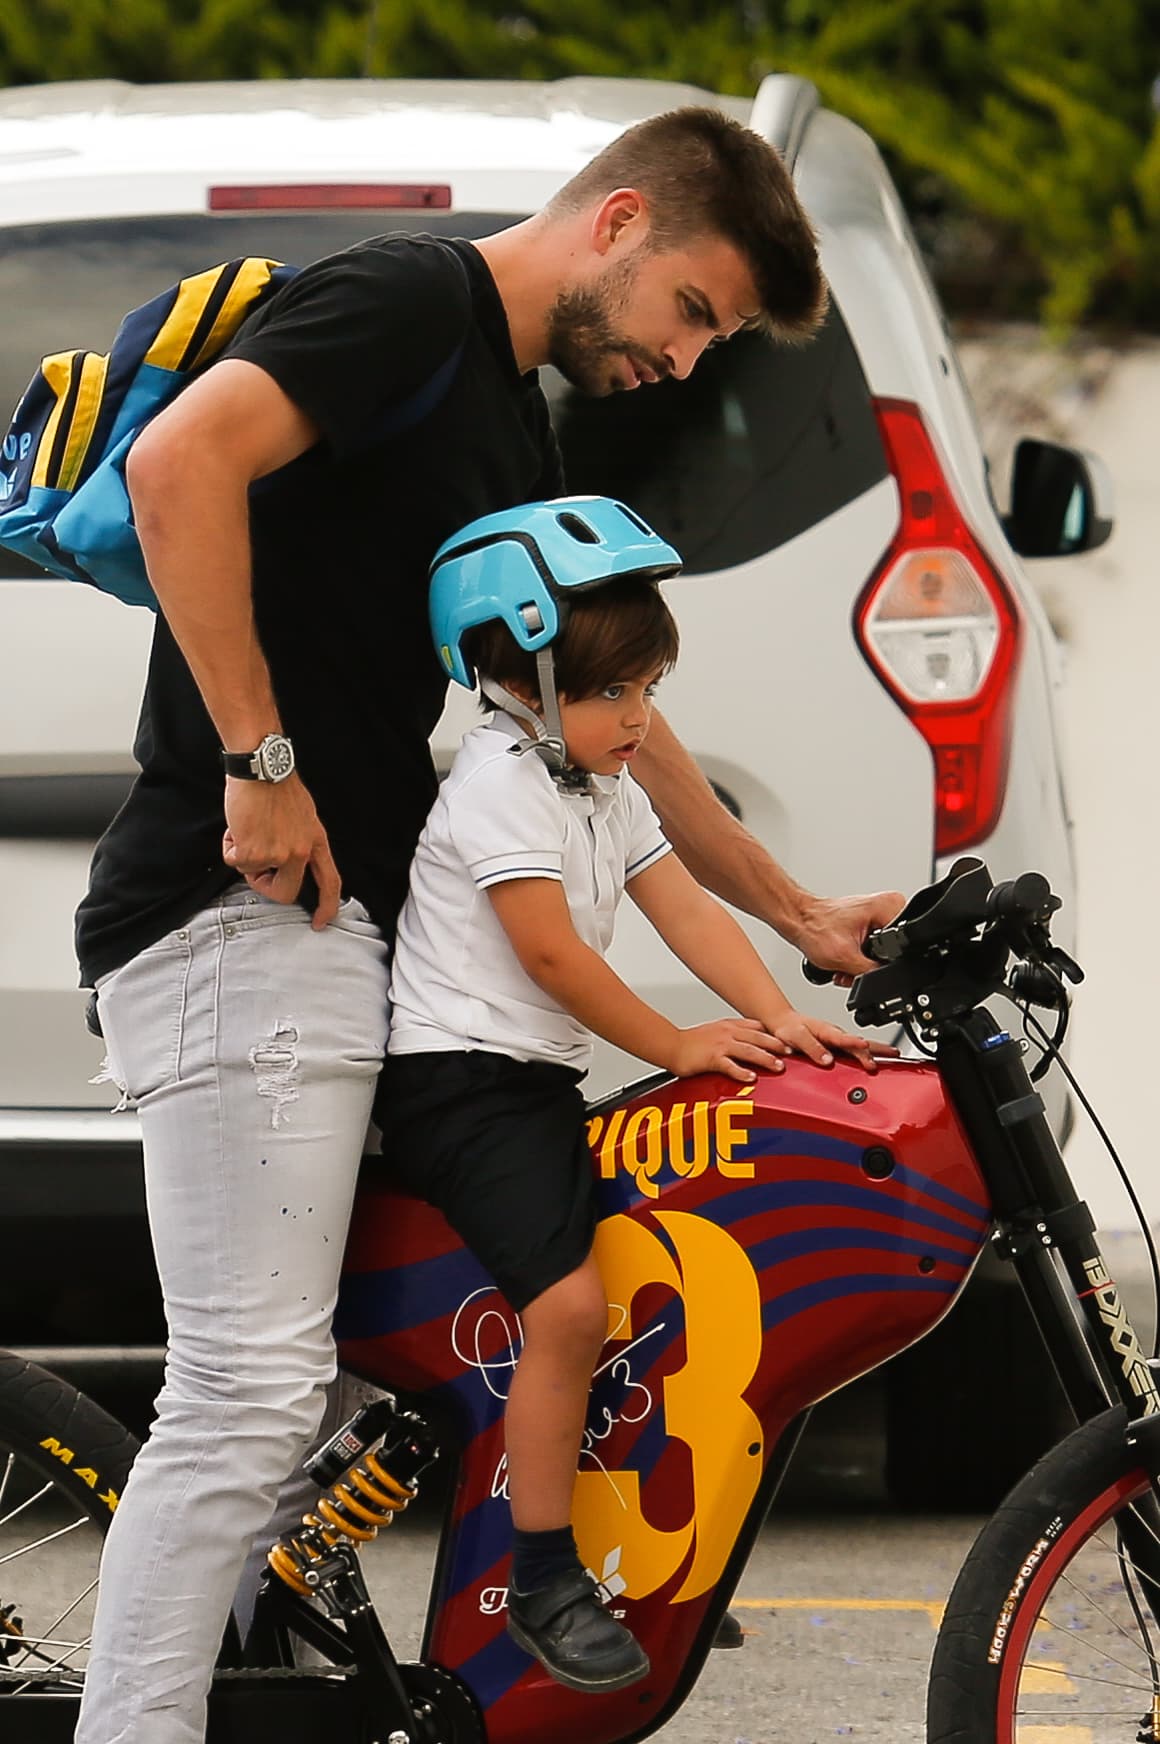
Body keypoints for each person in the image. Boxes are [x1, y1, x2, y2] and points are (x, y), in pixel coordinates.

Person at [73, 104, 902, 1744]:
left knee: (336, 1377)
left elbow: (609, 711)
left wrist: (795, 907)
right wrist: (259, 759)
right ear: (619, 223)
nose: (684, 360)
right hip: (236, 914)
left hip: (345, 933)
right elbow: (180, 467)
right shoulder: (404, 304)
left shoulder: (511, 431)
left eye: (716, 342)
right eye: (692, 311)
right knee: (247, 1394)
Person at [378, 496, 897, 1692]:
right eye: (613, 691)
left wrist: (775, 1016)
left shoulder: (601, 785)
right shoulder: (498, 784)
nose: (639, 718)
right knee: (568, 1311)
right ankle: (542, 1579)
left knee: (661, 1273)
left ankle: (638, 1552)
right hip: (461, 1085)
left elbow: (685, 907)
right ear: (520, 682)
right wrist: (675, 1041)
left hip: (531, 1080)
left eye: (650, 688)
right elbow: (551, 957)